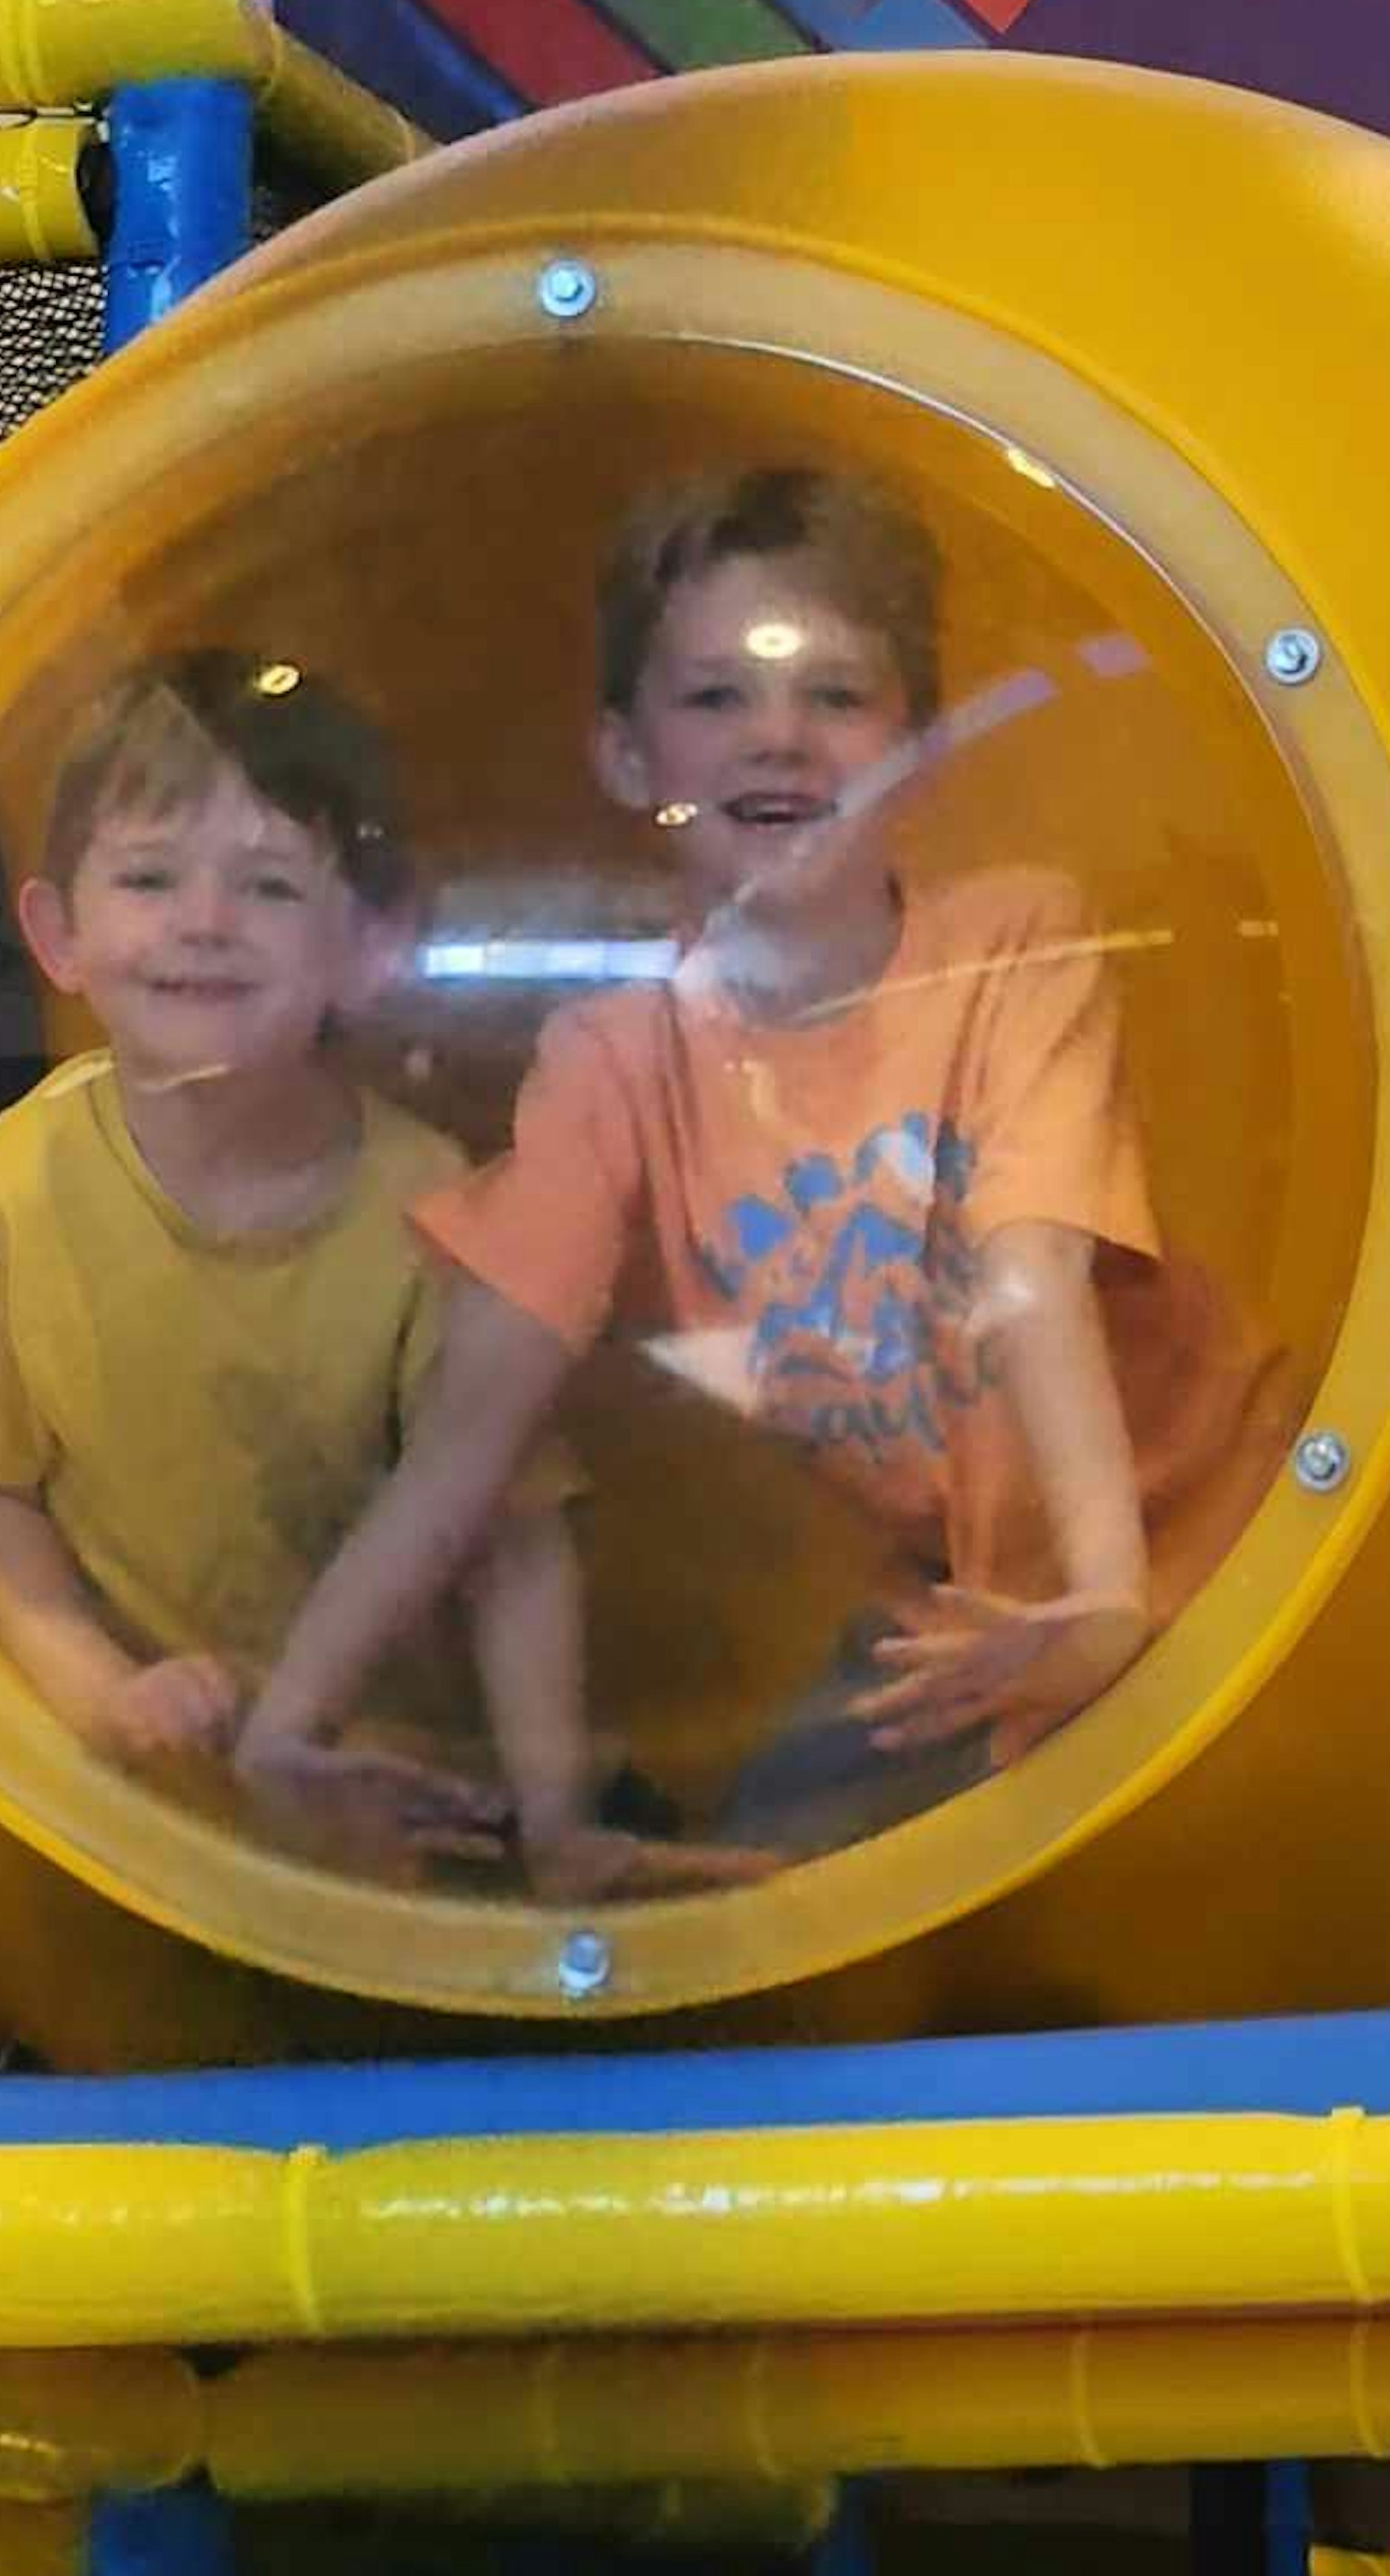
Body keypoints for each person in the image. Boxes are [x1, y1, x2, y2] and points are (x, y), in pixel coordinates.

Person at [238, 464, 1287, 1853]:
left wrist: (1104, 1598)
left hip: (1225, 1524)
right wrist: (288, 1728)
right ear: (628, 755)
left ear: (920, 743)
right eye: (716, 697)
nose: (777, 739)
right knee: (759, 1886)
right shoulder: (614, 1059)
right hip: (966, 1603)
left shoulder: (1013, 944)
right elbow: (474, 1430)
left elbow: (1027, 1270)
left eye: (837, 697)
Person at [0, 649, 587, 1875]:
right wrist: (106, 1696)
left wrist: (556, 1819)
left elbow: (513, 1543)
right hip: (158, 1787)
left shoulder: (437, 1211)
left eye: (267, 885)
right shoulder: (9, 1191)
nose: (203, 923)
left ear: (367, 945)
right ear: (59, 933)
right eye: (150, 878)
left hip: (397, 1788)